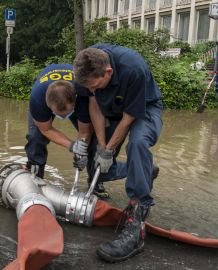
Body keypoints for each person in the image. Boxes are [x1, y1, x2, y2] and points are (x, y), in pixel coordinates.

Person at [73, 44, 163, 262]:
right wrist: (102, 146)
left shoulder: (133, 68)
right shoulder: (85, 68)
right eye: (89, 88)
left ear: (108, 72)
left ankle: (136, 226)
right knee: (98, 169)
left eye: (96, 85)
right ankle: (144, 170)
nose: (92, 90)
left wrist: (110, 150)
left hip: (144, 108)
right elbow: (94, 104)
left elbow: (130, 117)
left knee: (138, 144)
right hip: (110, 110)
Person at [25, 63, 91, 179]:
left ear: (75, 100)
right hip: (44, 95)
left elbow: (85, 132)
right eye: (58, 113)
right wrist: (71, 145)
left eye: (67, 113)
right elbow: (46, 129)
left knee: (93, 138)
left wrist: (81, 151)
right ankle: (35, 174)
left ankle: (96, 181)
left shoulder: (82, 94)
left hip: (76, 97)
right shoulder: (37, 99)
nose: (63, 117)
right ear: (48, 105)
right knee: (35, 137)